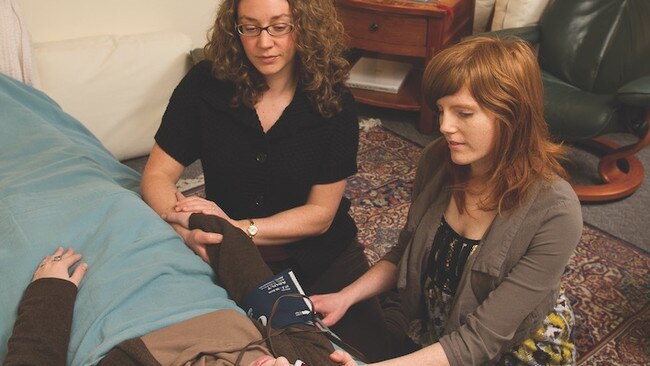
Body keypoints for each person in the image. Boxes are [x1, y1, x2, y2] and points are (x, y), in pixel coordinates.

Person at [140, 0, 390, 360]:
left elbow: (320, 214)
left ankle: (392, 295)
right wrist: (185, 228)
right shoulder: (203, 85)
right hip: (234, 262)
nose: (264, 42)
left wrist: (238, 230)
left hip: (324, 256)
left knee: (376, 353)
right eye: (250, 27)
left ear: (304, 26)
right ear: (235, 29)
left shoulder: (335, 101)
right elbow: (157, 175)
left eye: (279, 26)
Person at [311, 36, 583, 365]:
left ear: (513, 115)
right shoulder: (437, 161)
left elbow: (480, 340)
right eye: (441, 110)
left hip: (513, 349)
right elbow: (405, 251)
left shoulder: (556, 211)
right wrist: (345, 297)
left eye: (464, 113)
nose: (444, 126)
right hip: (442, 331)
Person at [4, 242, 358, 366]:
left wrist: (48, 294)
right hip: (170, 253)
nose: (281, 362)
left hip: (99, 298)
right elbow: (270, 296)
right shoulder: (311, 361)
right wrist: (217, 232)